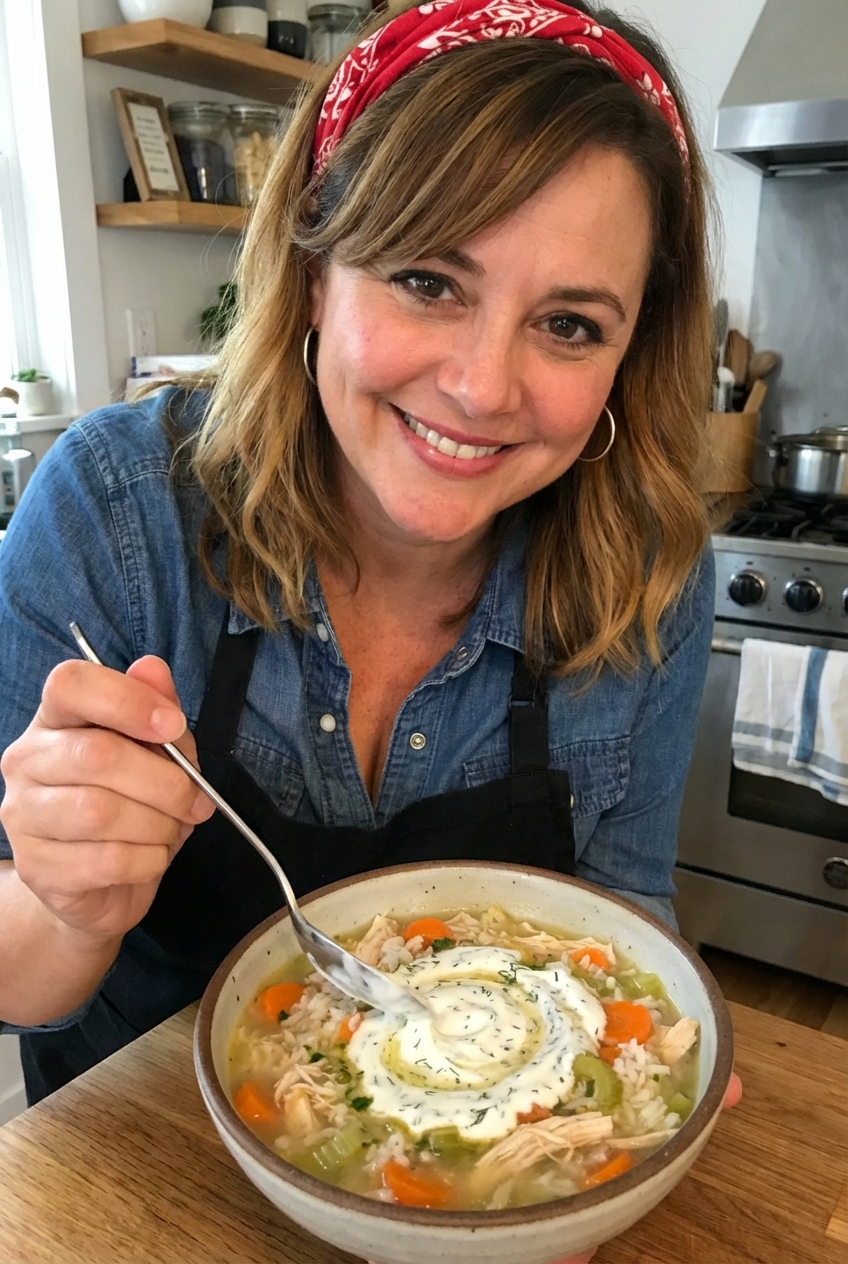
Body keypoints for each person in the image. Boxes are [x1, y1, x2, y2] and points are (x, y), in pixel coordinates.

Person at [1, 2, 738, 1228]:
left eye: (567, 323)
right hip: (133, 1182)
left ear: (628, 353)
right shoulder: (111, 514)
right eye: (425, 278)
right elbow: (18, 984)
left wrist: (659, 1057)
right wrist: (70, 899)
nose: (482, 387)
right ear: (308, 271)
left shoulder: (651, 572)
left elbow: (630, 909)